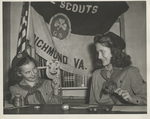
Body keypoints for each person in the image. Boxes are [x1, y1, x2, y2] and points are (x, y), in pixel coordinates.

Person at [89, 32, 146, 105]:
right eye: (98, 53)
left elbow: (146, 97)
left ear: (114, 52)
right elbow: (92, 104)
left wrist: (132, 99)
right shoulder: (96, 74)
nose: (99, 57)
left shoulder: (131, 72)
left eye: (102, 52)